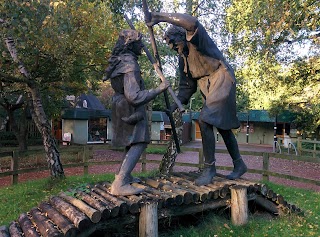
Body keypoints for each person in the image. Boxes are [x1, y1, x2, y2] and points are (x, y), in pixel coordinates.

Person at [146, 12, 247, 185]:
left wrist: (160, 17)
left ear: (183, 37)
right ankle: (239, 164)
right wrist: (175, 105)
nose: (173, 48)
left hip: (222, 78)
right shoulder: (183, 59)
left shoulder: (198, 41)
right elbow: (187, 87)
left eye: (174, 43)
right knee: (221, 126)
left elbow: (192, 23)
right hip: (206, 86)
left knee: (205, 120)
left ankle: (210, 168)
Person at [104, 29, 169, 195]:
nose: (142, 45)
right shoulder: (130, 65)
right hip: (129, 106)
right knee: (139, 141)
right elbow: (134, 96)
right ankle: (119, 183)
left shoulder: (120, 61)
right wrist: (159, 89)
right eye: (140, 42)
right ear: (131, 45)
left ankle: (124, 175)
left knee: (130, 141)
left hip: (120, 105)